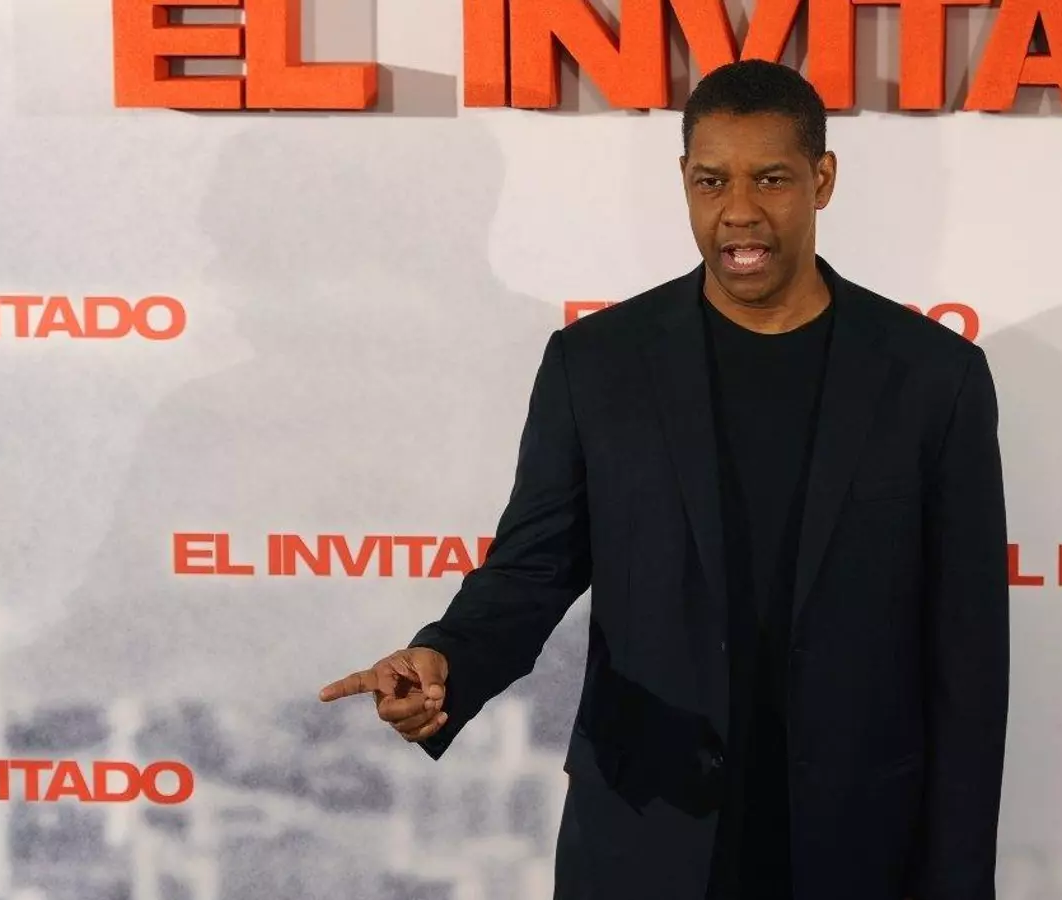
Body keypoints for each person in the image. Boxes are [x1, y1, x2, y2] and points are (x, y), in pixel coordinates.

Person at [319, 59, 1009, 900]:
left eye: (771, 179)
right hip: (645, 830)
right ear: (684, 181)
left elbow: (969, 660)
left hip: (857, 844)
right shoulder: (596, 365)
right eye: (712, 181)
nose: (739, 210)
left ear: (823, 181)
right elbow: (532, 569)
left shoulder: (934, 378)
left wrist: (958, 879)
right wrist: (445, 659)